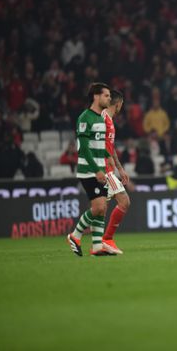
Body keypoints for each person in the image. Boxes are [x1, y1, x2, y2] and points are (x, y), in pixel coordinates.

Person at [66, 82, 114, 256]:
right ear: (96, 96)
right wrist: (96, 169)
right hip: (88, 170)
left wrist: (108, 156)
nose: (109, 98)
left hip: (100, 168)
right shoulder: (85, 117)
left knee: (103, 208)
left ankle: (96, 247)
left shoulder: (100, 117)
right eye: (106, 95)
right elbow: (84, 149)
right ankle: (75, 235)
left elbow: (98, 145)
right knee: (99, 206)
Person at [101, 89, 130, 255]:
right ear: (118, 104)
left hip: (110, 168)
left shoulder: (109, 120)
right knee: (124, 201)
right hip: (104, 169)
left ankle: (77, 235)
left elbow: (110, 149)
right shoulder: (103, 118)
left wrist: (119, 168)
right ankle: (106, 239)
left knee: (99, 210)